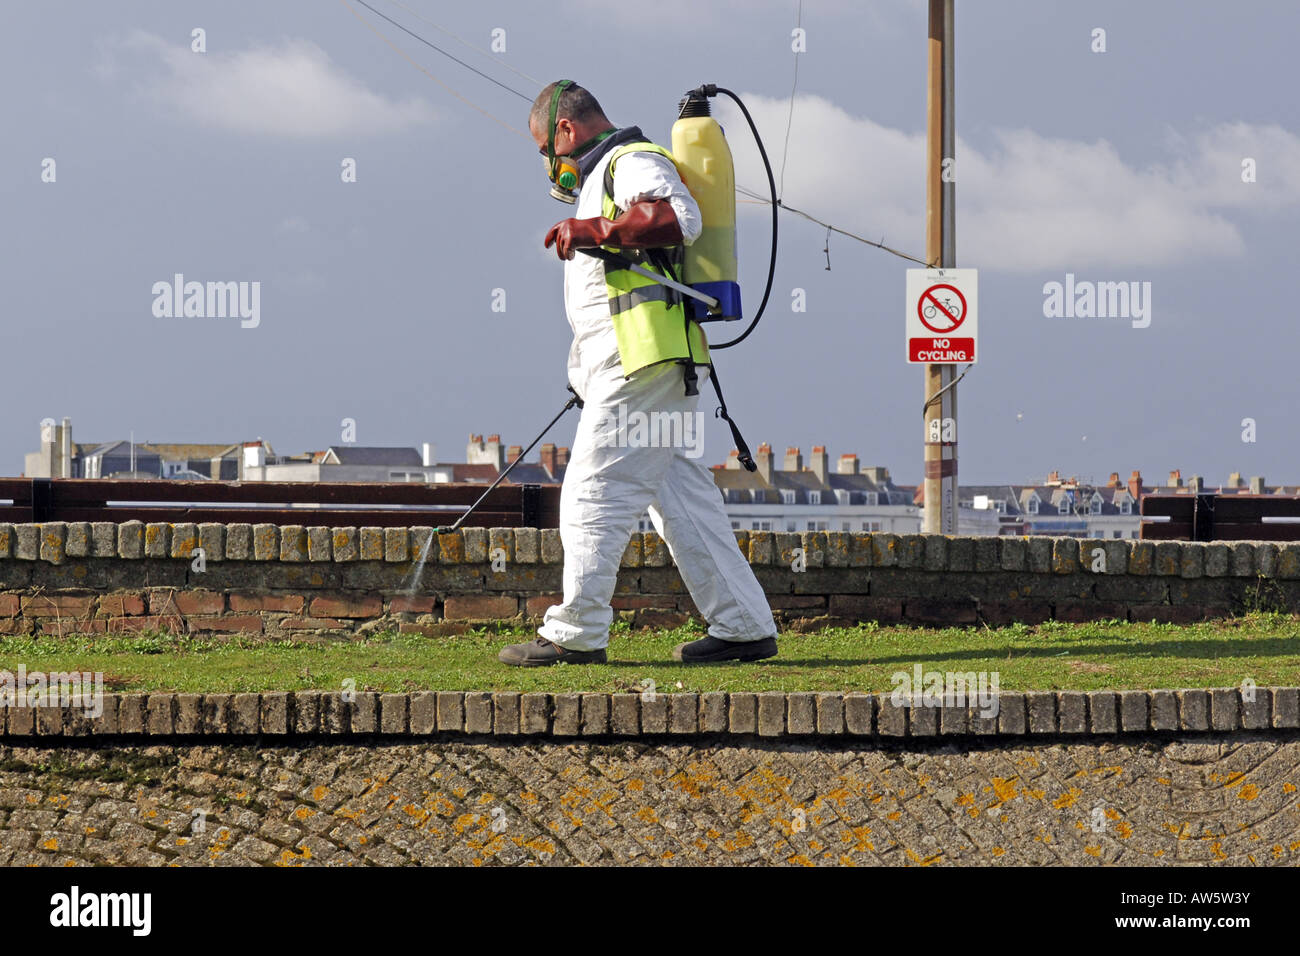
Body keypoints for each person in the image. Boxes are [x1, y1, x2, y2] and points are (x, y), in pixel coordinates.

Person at [498, 80, 778, 667]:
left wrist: (595, 230)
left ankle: (576, 633)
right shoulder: (612, 173)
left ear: (565, 132)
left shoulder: (629, 162)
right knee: (681, 499)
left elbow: (678, 217)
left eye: (544, 149)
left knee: (592, 490)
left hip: (639, 361)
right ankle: (744, 626)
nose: (549, 163)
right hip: (649, 362)